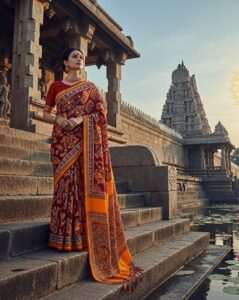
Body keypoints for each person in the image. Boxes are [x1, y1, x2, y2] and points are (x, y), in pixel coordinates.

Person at [43, 48, 142, 291]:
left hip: (85, 142)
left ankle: (80, 237)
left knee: (81, 186)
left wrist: (80, 120)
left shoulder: (91, 89)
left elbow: (100, 114)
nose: (79, 59)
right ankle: (62, 237)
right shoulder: (55, 87)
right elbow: (45, 112)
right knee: (65, 186)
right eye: (75, 56)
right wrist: (60, 120)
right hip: (61, 142)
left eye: (82, 57)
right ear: (66, 62)